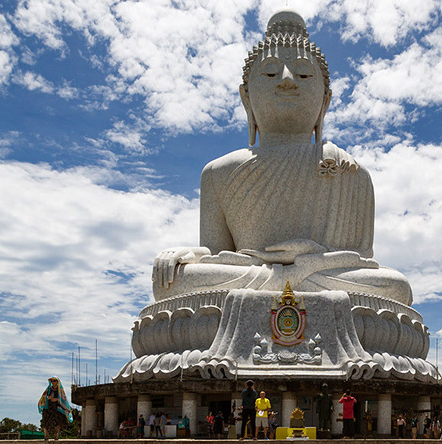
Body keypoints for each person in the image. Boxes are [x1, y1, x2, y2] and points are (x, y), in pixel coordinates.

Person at [151, 11, 412, 307]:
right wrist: (191, 256)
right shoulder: (217, 172)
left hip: (318, 276)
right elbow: (215, 254)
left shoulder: (349, 172)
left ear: (325, 100)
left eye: (303, 75)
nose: (287, 81)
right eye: (270, 73)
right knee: (174, 282)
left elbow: (360, 262)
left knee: (395, 287)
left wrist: (311, 260)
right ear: (246, 97)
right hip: (255, 275)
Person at [37, 377, 72, 441]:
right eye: (52, 381)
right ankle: (46, 436)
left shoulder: (60, 390)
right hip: (48, 407)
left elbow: (63, 399)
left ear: (58, 381)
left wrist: (57, 399)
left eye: (54, 381)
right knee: (45, 421)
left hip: (57, 408)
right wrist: (48, 398)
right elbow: (43, 397)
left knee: (57, 422)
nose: (53, 382)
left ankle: (56, 436)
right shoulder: (49, 389)